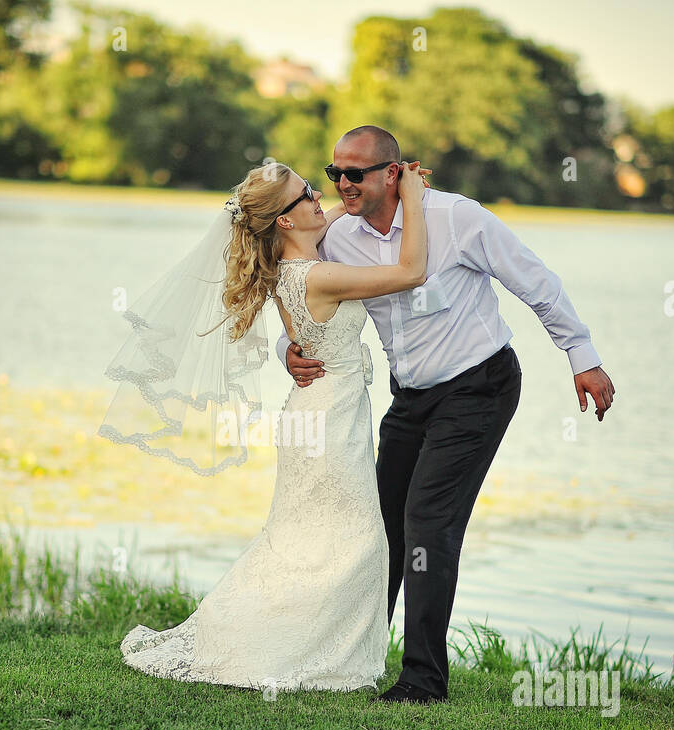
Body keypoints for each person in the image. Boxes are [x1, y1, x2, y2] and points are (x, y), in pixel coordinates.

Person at [275, 125, 615, 703]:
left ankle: (423, 680)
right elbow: (293, 287)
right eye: (334, 174)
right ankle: (350, 659)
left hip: (477, 387)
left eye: (355, 174)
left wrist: (581, 357)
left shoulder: (459, 219)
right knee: (380, 524)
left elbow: (538, 284)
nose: (342, 184)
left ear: (393, 172)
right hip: (407, 396)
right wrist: (287, 349)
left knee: (429, 524)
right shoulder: (338, 237)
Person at [98, 159, 431, 694]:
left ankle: (290, 643)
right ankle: (307, 655)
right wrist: (411, 194)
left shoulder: (291, 273)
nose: (320, 197)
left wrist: (288, 350)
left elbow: (306, 333)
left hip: (319, 411)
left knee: (304, 539)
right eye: (306, 196)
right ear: (283, 221)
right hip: (328, 420)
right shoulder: (319, 275)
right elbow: (412, 270)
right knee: (355, 539)